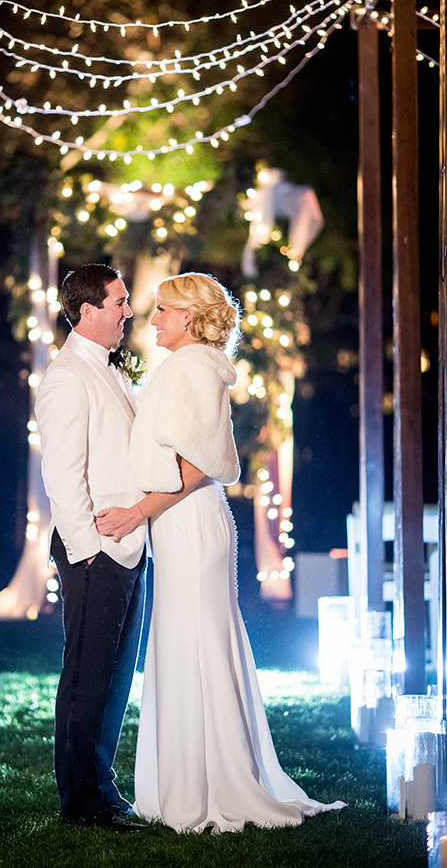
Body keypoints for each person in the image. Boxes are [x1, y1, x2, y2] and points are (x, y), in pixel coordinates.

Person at [96, 272, 345, 833]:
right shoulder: (188, 367)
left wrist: (138, 512)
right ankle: (183, 783)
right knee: (186, 645)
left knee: (199, 646)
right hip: (180, 524)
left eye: (162, 310)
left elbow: (198, 463)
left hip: (189, 521)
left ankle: (210, 786)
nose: (152, 319)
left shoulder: (195, 370)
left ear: (188, 318)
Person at [34, 263, 148, 833]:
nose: (128, 311)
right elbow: (62, 475)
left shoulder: (111, 370)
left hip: (130, 546)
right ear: (88, 311)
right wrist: (88, 551)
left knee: (115, 676)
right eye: (119, 302)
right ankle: (82, 801)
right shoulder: (65, 379)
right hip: (97, 552)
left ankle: (101, 787)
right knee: (86, 678)